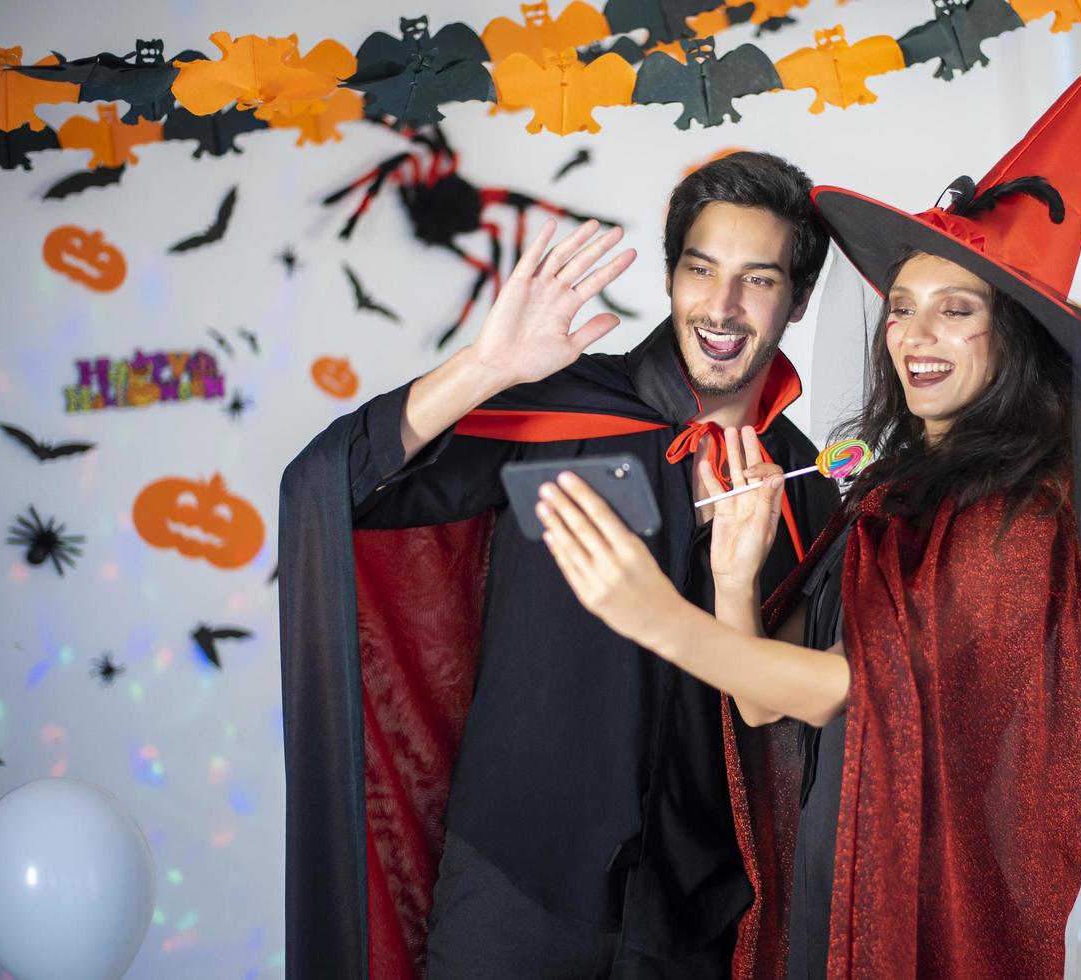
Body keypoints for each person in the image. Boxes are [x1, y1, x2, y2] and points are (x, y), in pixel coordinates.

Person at [532, 38, 1081, 979]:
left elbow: (843, 690)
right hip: (831, 879)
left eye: (957, 309)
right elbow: (761, 693)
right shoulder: (886, 495)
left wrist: (653, 616)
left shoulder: (1021, 520)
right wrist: (734, 580)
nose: (914, 335)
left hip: (921, 904)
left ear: (1013, 336)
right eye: (903, 307)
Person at [278, 151, 842, 979]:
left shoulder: (810, 486)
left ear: (796, 299)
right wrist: (488, 369)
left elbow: (789, 716)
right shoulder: (559, 403)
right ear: (672, 276)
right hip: (513, 887)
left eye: (758, 280)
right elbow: (336, 494)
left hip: (694, 916)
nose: (721, 306)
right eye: (700, 269)